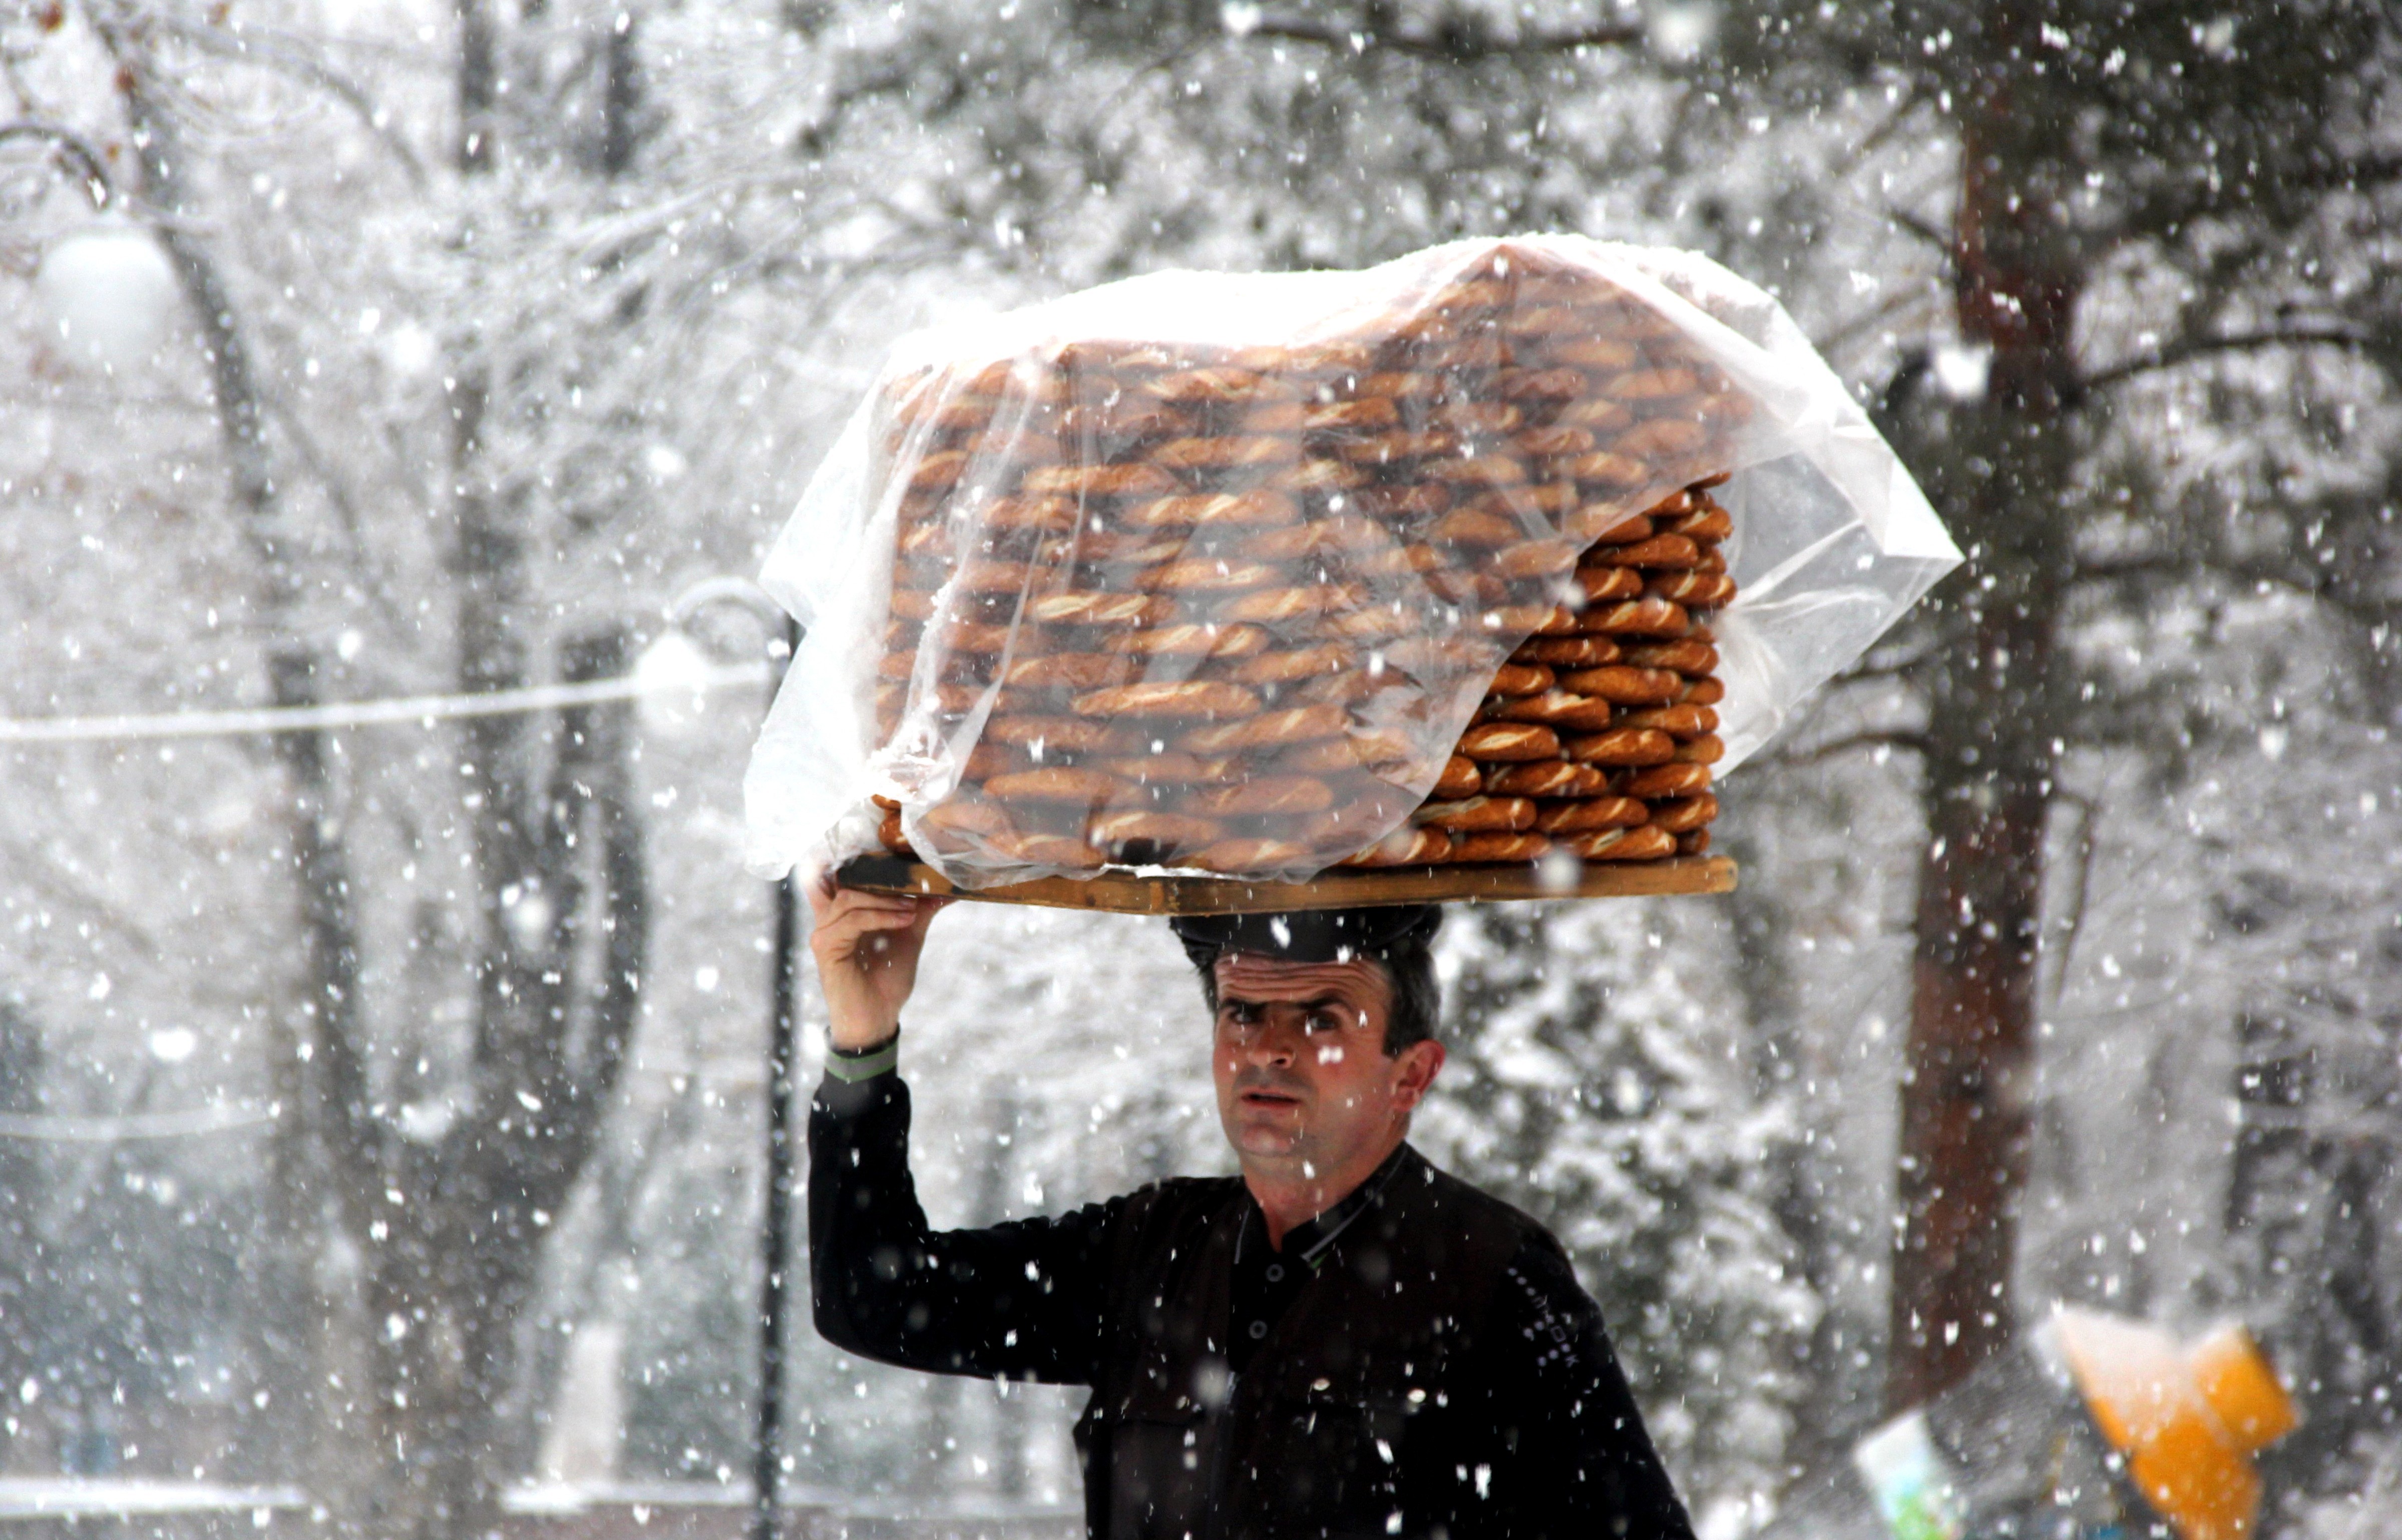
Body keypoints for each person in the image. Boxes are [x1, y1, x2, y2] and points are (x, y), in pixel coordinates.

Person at [807, 879, 1696, 1540]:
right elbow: (873, 1298)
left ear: (1411, 1074)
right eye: (1241, 1013)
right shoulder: (1147, 1250)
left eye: (1320, 1019)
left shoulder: (1491, 1275)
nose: (1266, 1048)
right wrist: (863, 1037)